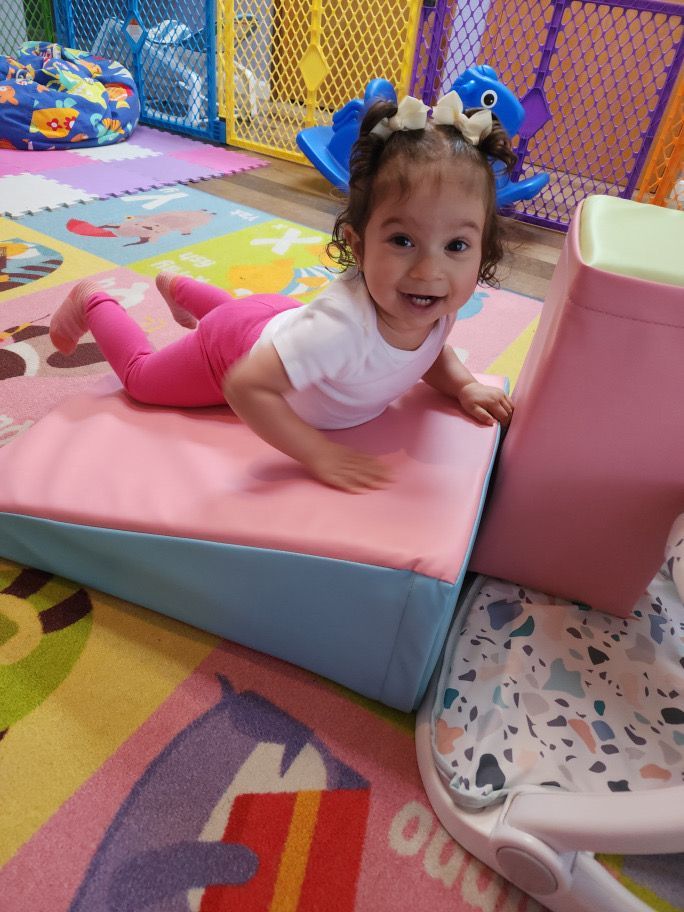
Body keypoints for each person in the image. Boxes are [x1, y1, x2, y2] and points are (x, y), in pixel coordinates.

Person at [50, 91, 515, 493]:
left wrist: (464, 385)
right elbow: (246, 386)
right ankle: (93, 300)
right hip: (231, 350)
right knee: (142, 380)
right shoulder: (338, 330)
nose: (430, 269)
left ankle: (183, 290)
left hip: (276, 317)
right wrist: (317, 455)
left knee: (247, 315)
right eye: (402, 241)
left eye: (456, 245)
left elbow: (431, 351)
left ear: (481, 251)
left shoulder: (435, 302)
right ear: (358, 244)